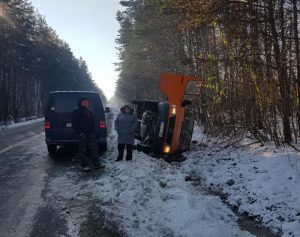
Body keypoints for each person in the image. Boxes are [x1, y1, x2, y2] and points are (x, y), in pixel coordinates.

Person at [71, 97, 105, 171]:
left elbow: (92, 123)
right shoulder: (76, 111)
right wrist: (80, 133)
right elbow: (74, 123)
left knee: (95, 149)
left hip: (91, 133)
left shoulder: (88, 111)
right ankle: (84, 165)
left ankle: (96, 164)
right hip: (82, 134)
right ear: (80, 102)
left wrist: (94, 132)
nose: (86, 103)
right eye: (84, 102)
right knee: (83, 150)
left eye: (87, 102)